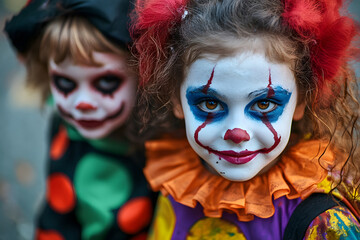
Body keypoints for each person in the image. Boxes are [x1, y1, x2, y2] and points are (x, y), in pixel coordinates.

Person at [131, 0, 360, 238]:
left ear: (301, 100)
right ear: (177, 100)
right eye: (210, 103)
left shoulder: (325, 220)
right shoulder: (178, 186)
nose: (237, 133)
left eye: (264, 104)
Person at [4, 0, 155, 239]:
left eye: (106, 83)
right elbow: (58, 217)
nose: (82, 103)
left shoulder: (167, 142)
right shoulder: (66, 133)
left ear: (144, 76)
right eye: (65, 83)